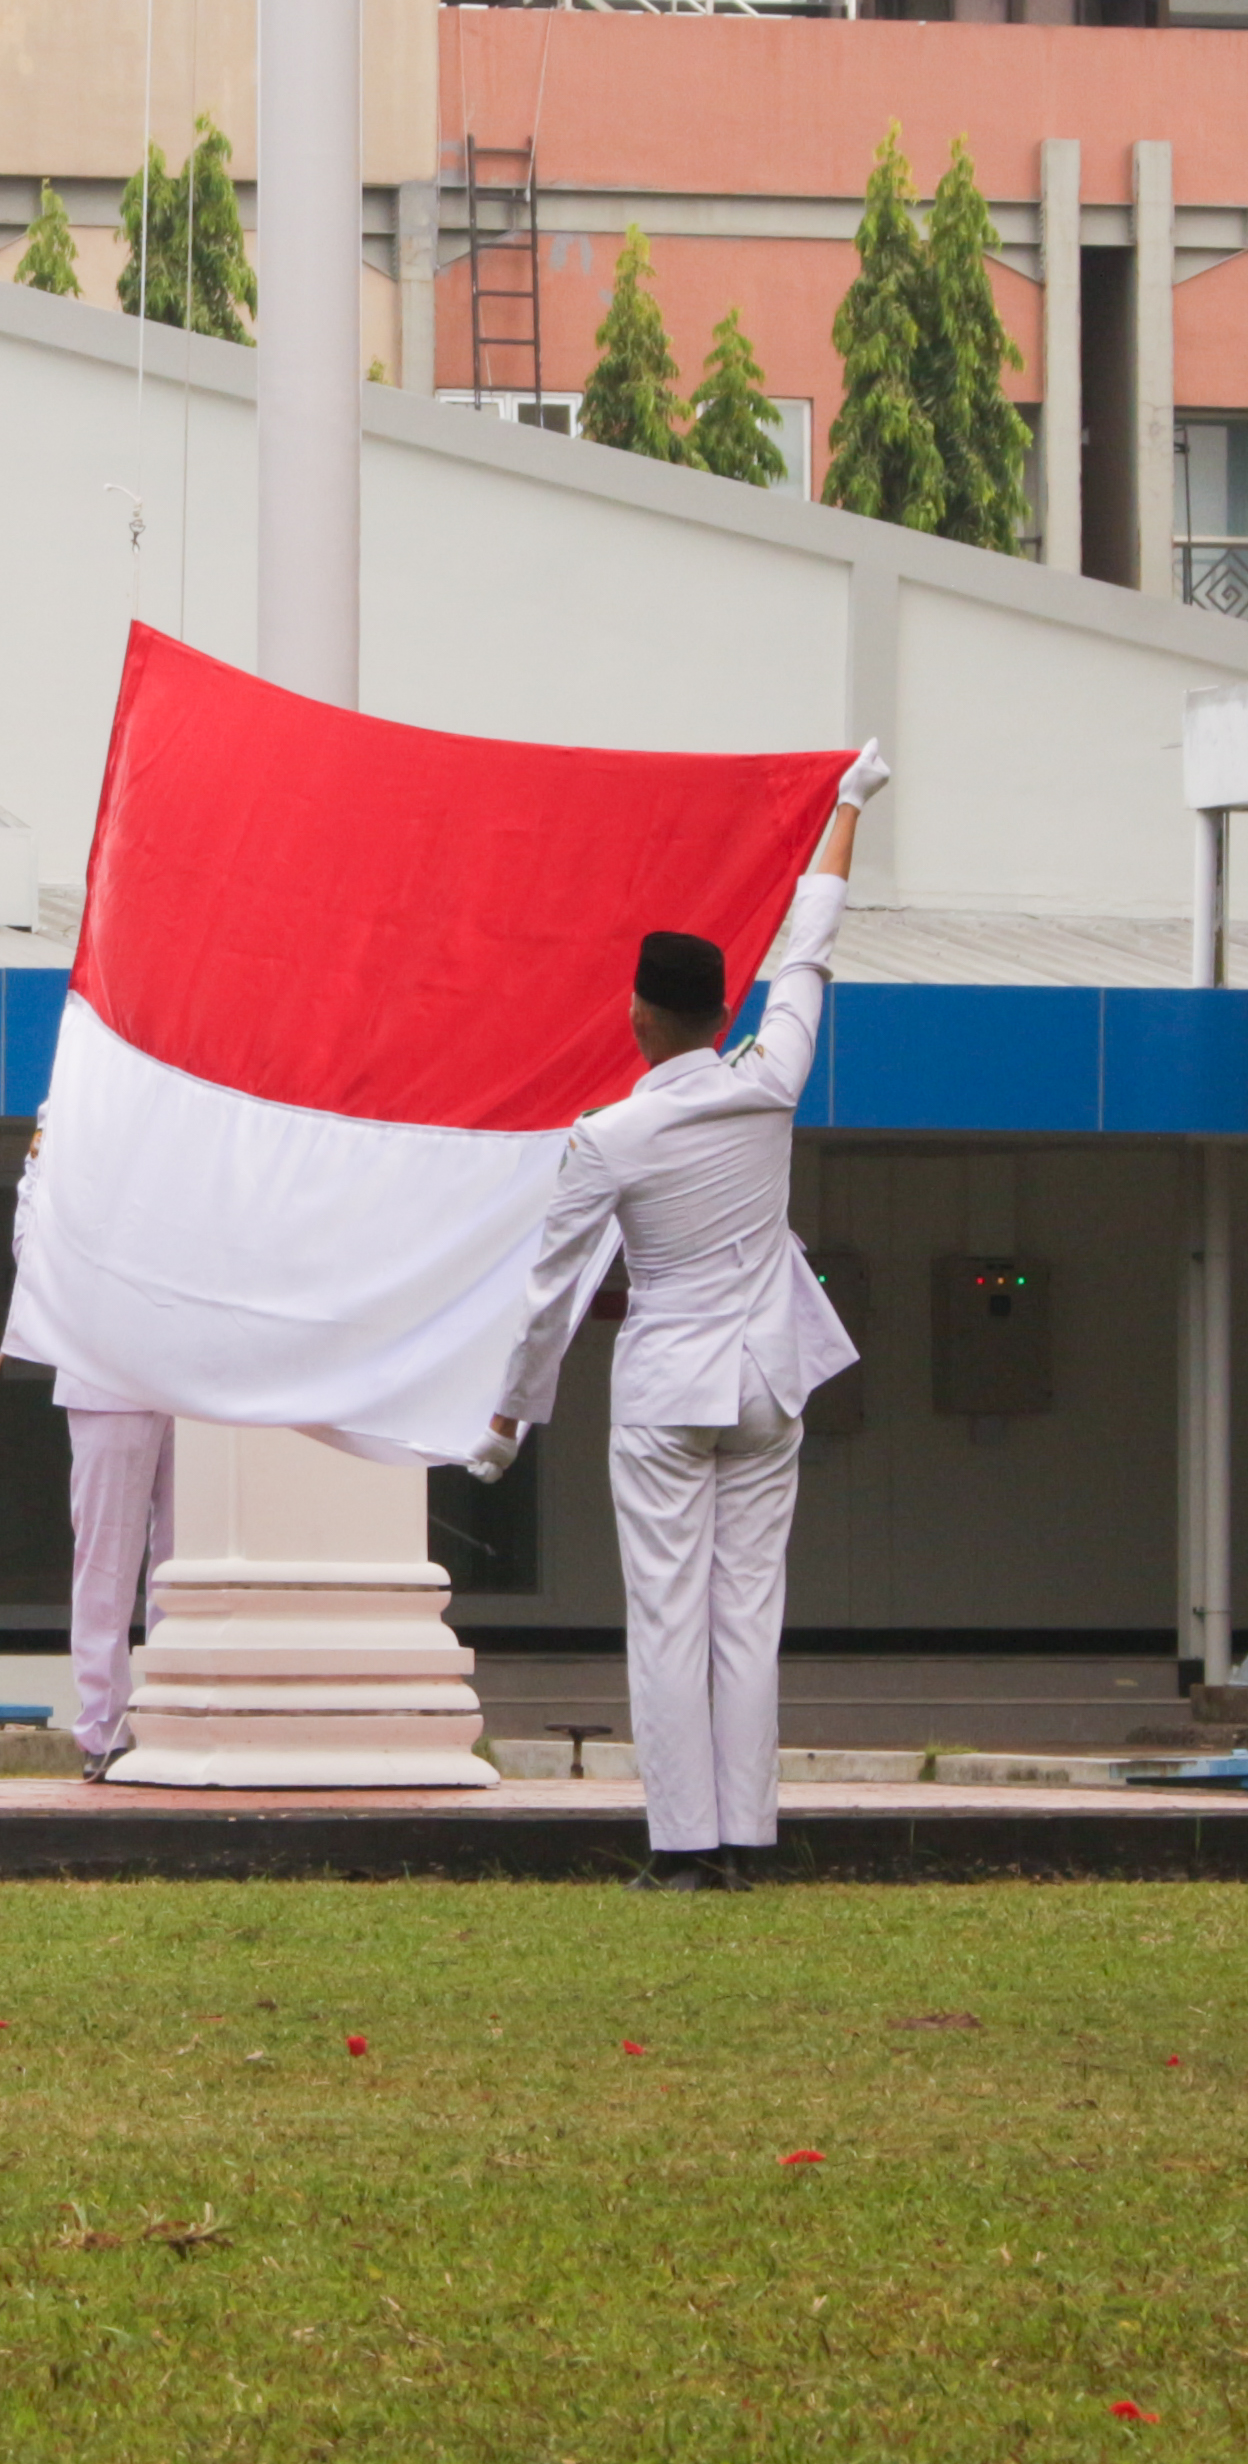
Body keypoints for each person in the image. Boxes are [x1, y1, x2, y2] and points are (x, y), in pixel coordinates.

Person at [475, 744, 889, 1891]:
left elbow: (551, 1289)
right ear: (716, 1012)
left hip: (667, 1390)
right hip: (767, 1381)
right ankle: (746, 1842)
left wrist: (510, 1419)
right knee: (746, 1616)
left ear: (638, 1017)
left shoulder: (608, 1135)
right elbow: (808, 950)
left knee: (665, 1616)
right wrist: (845, 806)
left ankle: (682, 1846)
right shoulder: (770, 1078)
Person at [7, 1124, 174, 1782]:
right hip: (107, 1356)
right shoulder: (74, 1104)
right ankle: (104, 1727)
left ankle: (170, 1713)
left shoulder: (187, 1094)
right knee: (107, 1554)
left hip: (195, 1362)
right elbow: (32, 1237)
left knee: (184, 1558)